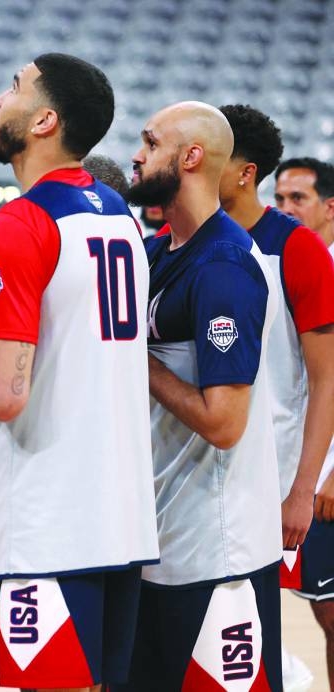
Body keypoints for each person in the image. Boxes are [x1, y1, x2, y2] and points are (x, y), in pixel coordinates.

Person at [0, 54, 158, 692]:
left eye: (14, 87)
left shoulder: (21, 223)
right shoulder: (118, 214)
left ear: (45, 120)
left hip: (52, 518)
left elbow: (2, 394)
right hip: (124, 514)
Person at [121, 101, 282, 691]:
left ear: (190, 157)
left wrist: (132, 360)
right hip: (156, 539)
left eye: (150, 141)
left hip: (217, 551)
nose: (137, 155)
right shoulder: (159, 251)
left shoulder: (225, 265)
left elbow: (225, 423)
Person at [265, 154, 334, 690]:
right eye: (280, 197)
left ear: (330, 206)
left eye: (298, 199)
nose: (285, 208)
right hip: (300, 466)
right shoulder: (293, 259)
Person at [275, 157, 334, 251]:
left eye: (297, 198)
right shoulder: (265, 262)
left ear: (330, 208)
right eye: (280, 199)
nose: (285, 210)